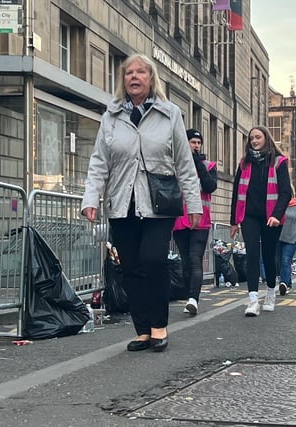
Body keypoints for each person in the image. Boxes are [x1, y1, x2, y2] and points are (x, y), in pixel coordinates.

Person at [81, 53, 202, 352]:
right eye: (128, 73)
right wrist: (90, 198)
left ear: (151, 78)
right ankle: (143, 329)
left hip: (158, 201)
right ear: (123, 80)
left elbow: (184, 162)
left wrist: (194, 204)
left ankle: (159, 324)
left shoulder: (169, 113)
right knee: (131, 266)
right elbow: (99, 161)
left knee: (153, 260)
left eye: (140, 72)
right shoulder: (111, 116)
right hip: (122, 201)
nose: (134, 77)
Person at [230, 126, 292, 316]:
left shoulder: (279, 162)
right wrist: (233, 221)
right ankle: (253, 300)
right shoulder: (244, 163)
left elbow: (285, 192)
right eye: (251, 139)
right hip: (249, 216)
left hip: (270, 217)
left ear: (266, 138)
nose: (254, 141)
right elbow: (236, 193)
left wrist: (276, 214)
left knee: (268, 255)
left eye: (258, 137)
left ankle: (271, 293)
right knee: (252, 254)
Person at [173, 128, 217, 316]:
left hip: (201, 219)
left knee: (195, 258)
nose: (196, 145)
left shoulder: (209, 165)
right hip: (180, 219)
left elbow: (210, 186)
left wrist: (198, 164)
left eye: (199, 143)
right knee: (185, 262)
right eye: (193, 142)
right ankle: (190, 294)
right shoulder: (177, 164)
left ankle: (193, 299)